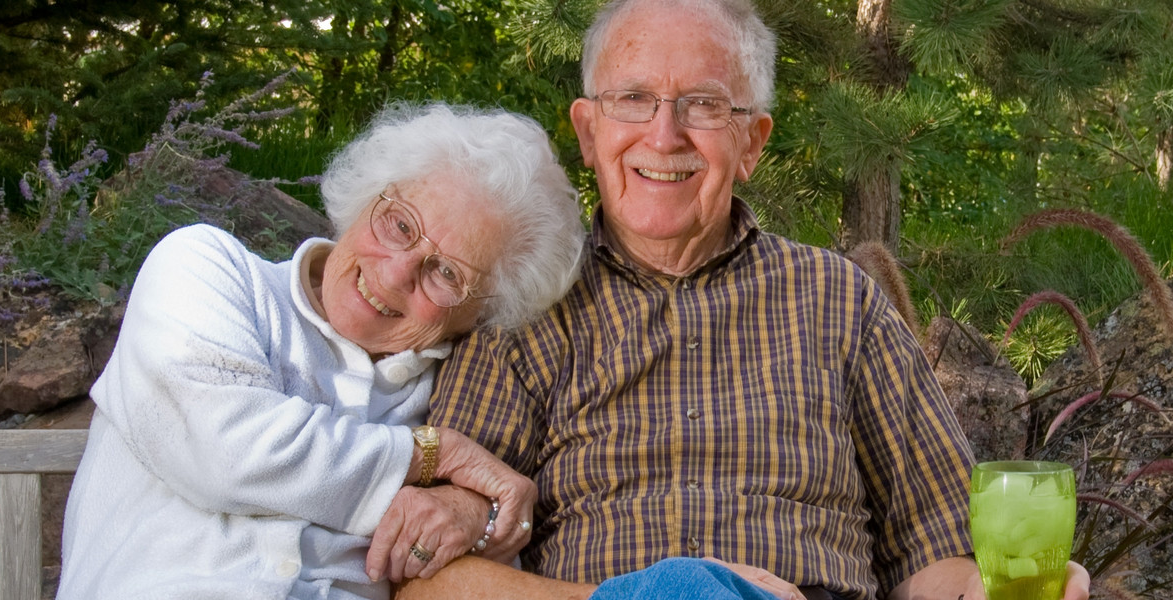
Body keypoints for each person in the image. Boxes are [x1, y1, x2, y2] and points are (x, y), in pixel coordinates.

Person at [391, 1, 1094, 599]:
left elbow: (939, 550)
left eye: (702, 104)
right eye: (633, 98)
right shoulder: (527, 306)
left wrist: (1000, 587)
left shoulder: (841, 303)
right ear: (587, 130)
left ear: (752, 141)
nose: (663, 136)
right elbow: (428, 577)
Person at [56, 102, 585, 599]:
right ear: (364, 199)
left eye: (447, 273)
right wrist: (432, 454)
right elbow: (229, 451)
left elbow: (493, 539)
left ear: (484, 314)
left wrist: (471, 507)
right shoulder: (209, 271)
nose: (397, 272)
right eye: (400, 225)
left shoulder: (457, 393)